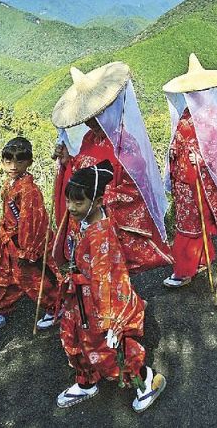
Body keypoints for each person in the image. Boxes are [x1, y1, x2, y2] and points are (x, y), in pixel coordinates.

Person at [55, 160, 165, 412]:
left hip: (100, 302)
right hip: (80, 297)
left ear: (96, 201)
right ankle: (85, 381)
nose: (70, 208)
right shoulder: (83, 221)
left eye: (78, 202)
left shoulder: (101, 235)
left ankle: (144, 380)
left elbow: (108, 280)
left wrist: (110, 321)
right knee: (74, 339)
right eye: (69, 201)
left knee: (107, 347)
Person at [51, 62, 172, 273]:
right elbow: (82, 169)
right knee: (91, 267)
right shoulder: (90, 138)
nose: (90, 123)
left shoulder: (124, 142)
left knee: (111, 268)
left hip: (106, 215)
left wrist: (102, 202)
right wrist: (67, 161)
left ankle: (123, 303)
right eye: (87, 118)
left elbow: (135, 184)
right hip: (89, 213)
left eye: (94, 117)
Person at [161, 54, 217, 288]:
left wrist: (202, 158)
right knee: (188, 223)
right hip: (183, 179)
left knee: (191, 225)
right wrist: (174, 151)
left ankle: (185, 269)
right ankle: (201, 259)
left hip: (201, 180)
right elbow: (179, 139)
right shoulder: (186, 114)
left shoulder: (215, 116)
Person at [0, 137, 59, 334]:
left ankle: (55, 308)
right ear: (2, 162)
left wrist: (28, 249)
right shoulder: (10, 183)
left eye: (19, 161)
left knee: (32, 278)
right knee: (1, 274)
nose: (13, 166)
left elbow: (32, 221)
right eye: (8, 161)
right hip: (8, 241)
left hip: (24, 243)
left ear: (29, 162)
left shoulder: (29, 189)